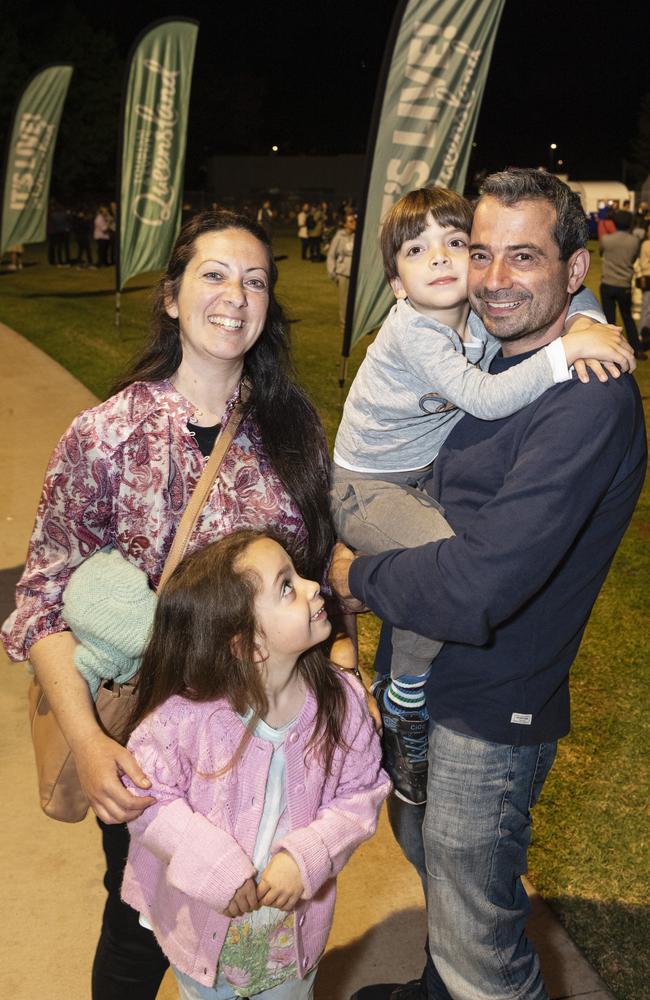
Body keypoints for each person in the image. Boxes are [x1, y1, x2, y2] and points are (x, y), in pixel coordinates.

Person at [2, 209, 343, 1000]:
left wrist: (347, 674)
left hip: (280, 747)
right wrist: (87, 743)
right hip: (154, 754)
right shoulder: (105, 435)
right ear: (171, 296)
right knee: (140, 931)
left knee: (264, 933)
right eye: (215, 274)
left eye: (255, 279)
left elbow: (322, 574)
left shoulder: (294, 431)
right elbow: (42, 605)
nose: (236, 295)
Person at [329, 169, 647, 1000]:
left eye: (525, 258)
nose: (494, 279)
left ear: (574, 270)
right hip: (434, 669)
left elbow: (478, 588)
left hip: (490, 701)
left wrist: (358, 574)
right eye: (482, 252)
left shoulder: (585, 396)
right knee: (424, 845)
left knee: (480, 940)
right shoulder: (513, 345)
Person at [120, 528, 391, 1000]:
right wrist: (213, 865)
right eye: (286, 586)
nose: (312, 587)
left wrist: (307, 855)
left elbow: (361, 793)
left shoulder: (342, 704)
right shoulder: (185, 719)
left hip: (288, 943)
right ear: (247, 645)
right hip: (203, 931)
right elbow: (145, 799)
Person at [600, 209, 645, 358]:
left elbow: (601, 253)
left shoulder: (606, 239)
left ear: (614, 222)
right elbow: (633, 259)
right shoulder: (634, 241)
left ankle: (609, 349)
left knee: (609, 319)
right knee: (627, 318)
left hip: (607, 283)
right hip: (624, 284)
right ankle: (636, 349)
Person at [326, 211, 357, 334]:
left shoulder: (357, 236)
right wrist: (332, 272)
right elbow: (331, 255)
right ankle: (344, 325)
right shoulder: (339, 236)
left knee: (355, 300)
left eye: (354, 220)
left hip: (355, 274)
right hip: (343, 272)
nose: (354, 223)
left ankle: (354, 323)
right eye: (350, 221)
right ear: (345, 224)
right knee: (344, 301)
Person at [638, 220, 650, 346]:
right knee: (647, 308)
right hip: (648, 279)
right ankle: (641, 334)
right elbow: (643, 264)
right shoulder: (646, 244)